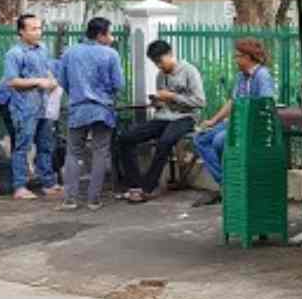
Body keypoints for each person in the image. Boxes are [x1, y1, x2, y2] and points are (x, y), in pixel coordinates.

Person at [118, 40, 206, 203]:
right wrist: (157, 102)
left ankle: (147, 188)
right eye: (155, 63)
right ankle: (135, 185)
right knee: (126, 137)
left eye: (161, 61)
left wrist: (173, 96)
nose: (159, 66)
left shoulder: (189, 71)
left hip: (185, 117)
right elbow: (162, 104)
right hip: (163, 116)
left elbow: (200, 101)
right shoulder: (161, 75)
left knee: (165, 142)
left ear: (170, 54)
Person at [192, 37, 276, 205]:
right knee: (201, 139)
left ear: (248, 57)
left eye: (238, 56)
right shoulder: (241, 77)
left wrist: (243, 120)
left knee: (219, 141)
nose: (235, 59)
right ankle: (226, 184)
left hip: (252, 126)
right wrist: (213, 121)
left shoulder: (262, 76)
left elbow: (265, 105)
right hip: (235, 123)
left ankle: (234, 185)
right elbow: (233, 101)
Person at [57, 17, 125, 211]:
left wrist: (77, 94)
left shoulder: (70, 52)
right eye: (109, 34)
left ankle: (70, 199)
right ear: (100, 35)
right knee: (100, 152)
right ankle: (93, 200)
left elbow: (62, 80)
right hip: (102, 110)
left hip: (77, 109)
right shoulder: (110, 54)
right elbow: (119, 84)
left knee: (73, 152)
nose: (111, 38)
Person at [0, 14, 60, 200]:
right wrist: (39, 81)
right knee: (23, 145)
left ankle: (48, 183)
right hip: (22, 106)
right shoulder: (14, 54)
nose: (38, 32)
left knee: (45, 144)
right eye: (33, 29)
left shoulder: (42, 49)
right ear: (21, 31)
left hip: (42, 104)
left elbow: (46, 69)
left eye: (39, 28)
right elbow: (12, 81)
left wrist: (51, 80)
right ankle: (20, 186)